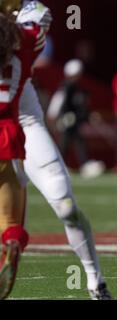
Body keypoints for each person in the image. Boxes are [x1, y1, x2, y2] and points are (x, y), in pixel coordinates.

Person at [16, 1, 111, 299]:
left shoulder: (28, 23)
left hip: (22, 121)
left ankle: (95, 280)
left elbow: (34, 18)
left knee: (65, 204)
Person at [0, 1, 43, 299]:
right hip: (7, 135)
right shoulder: (22, 50)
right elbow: (37, 22)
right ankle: (12, 244)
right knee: (11, 225)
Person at [47, 59, 89, 168]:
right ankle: (59, 165)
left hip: (73, 119)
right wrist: (54, 117)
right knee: (64, 141)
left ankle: (83, 163)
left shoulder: (76, 87)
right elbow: (57, 102)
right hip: (65, 119)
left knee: (78, 140)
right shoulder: (66, 87)